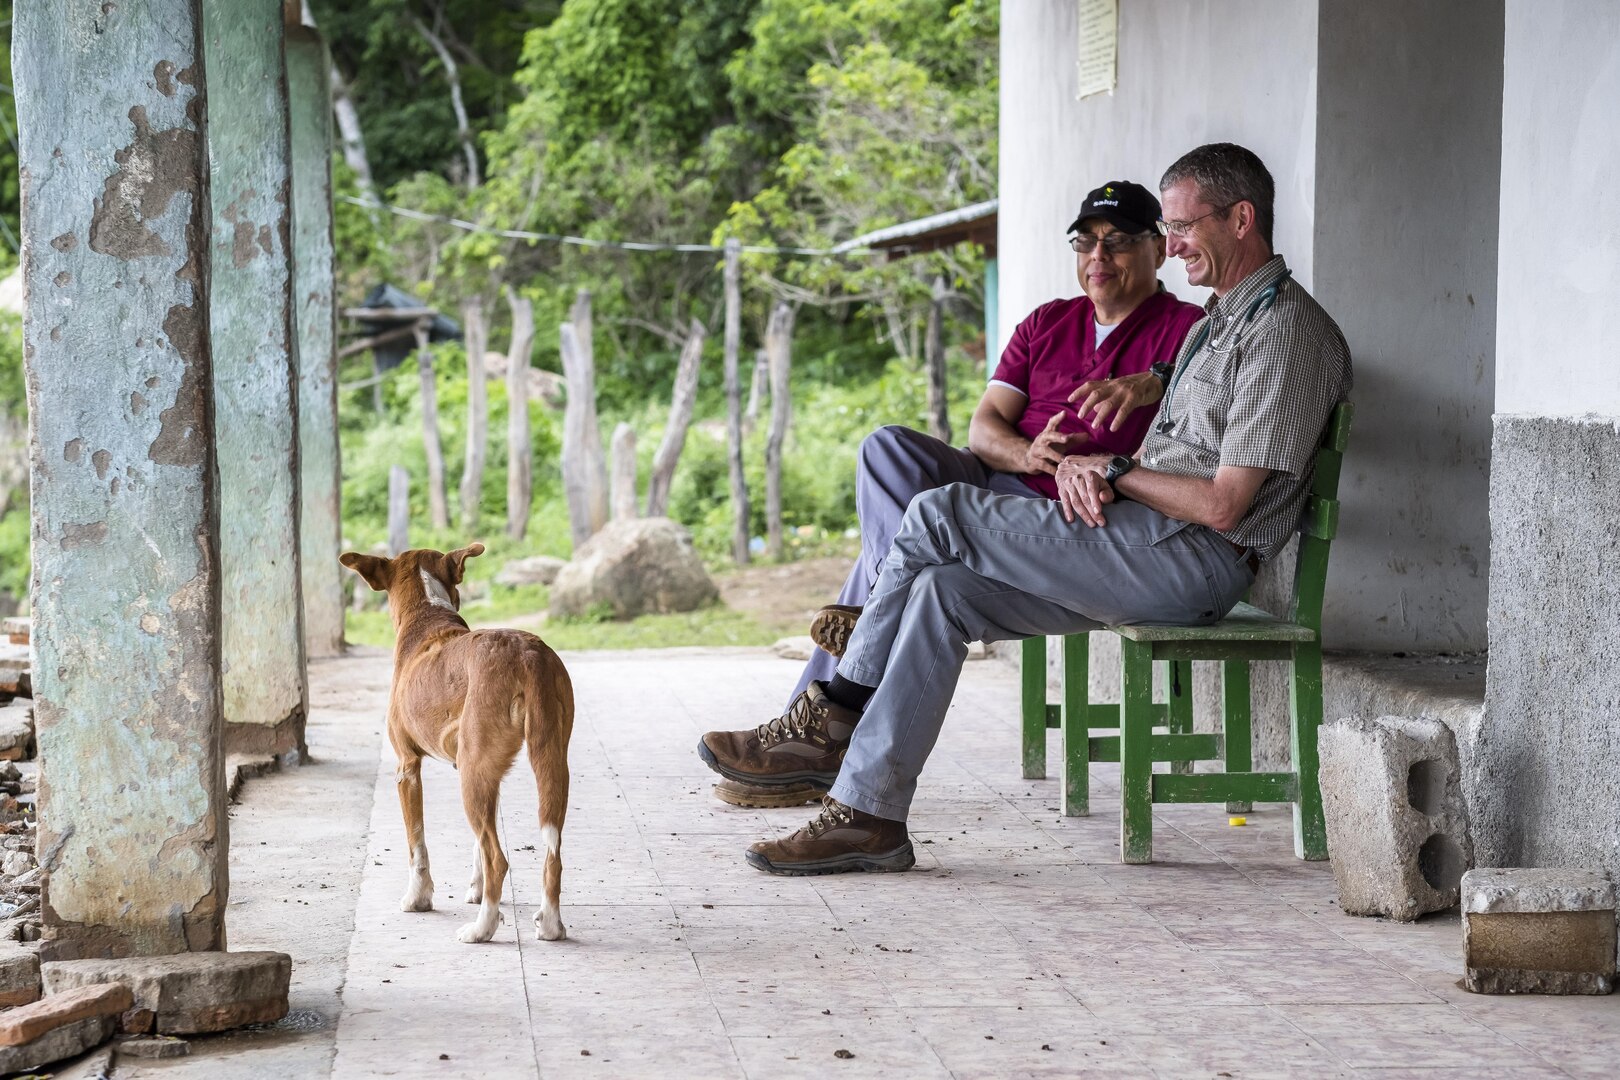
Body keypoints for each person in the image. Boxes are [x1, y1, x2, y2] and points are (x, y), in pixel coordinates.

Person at [700, 143, 1353, 875]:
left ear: (1241, 218)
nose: (1171, 246)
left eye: (1180, 227)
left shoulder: (1287, 331)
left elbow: (1226, 505)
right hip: (1143, 538)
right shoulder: (1220, 322)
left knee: (940, 512)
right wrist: (1121, 446)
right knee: (942, 593)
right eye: (1165, 228)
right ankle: (869, 816)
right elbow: (1177, 424)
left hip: (1192, 558)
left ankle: (834, 710)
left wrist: (1114, 468)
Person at [706, 180, 1202, 809]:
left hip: (1069, 518)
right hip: (996, 482)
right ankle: (867, 635)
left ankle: (803, 748)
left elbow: (1204, 388)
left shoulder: (1188, 329)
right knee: (886, 447)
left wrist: (1152, 384)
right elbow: (984, 425)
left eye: (1118, 242)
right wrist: (1025, 452)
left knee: (891, 565)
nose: (1097, 257)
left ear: (1159, 249)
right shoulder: (1048, 321)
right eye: (1085, 242)